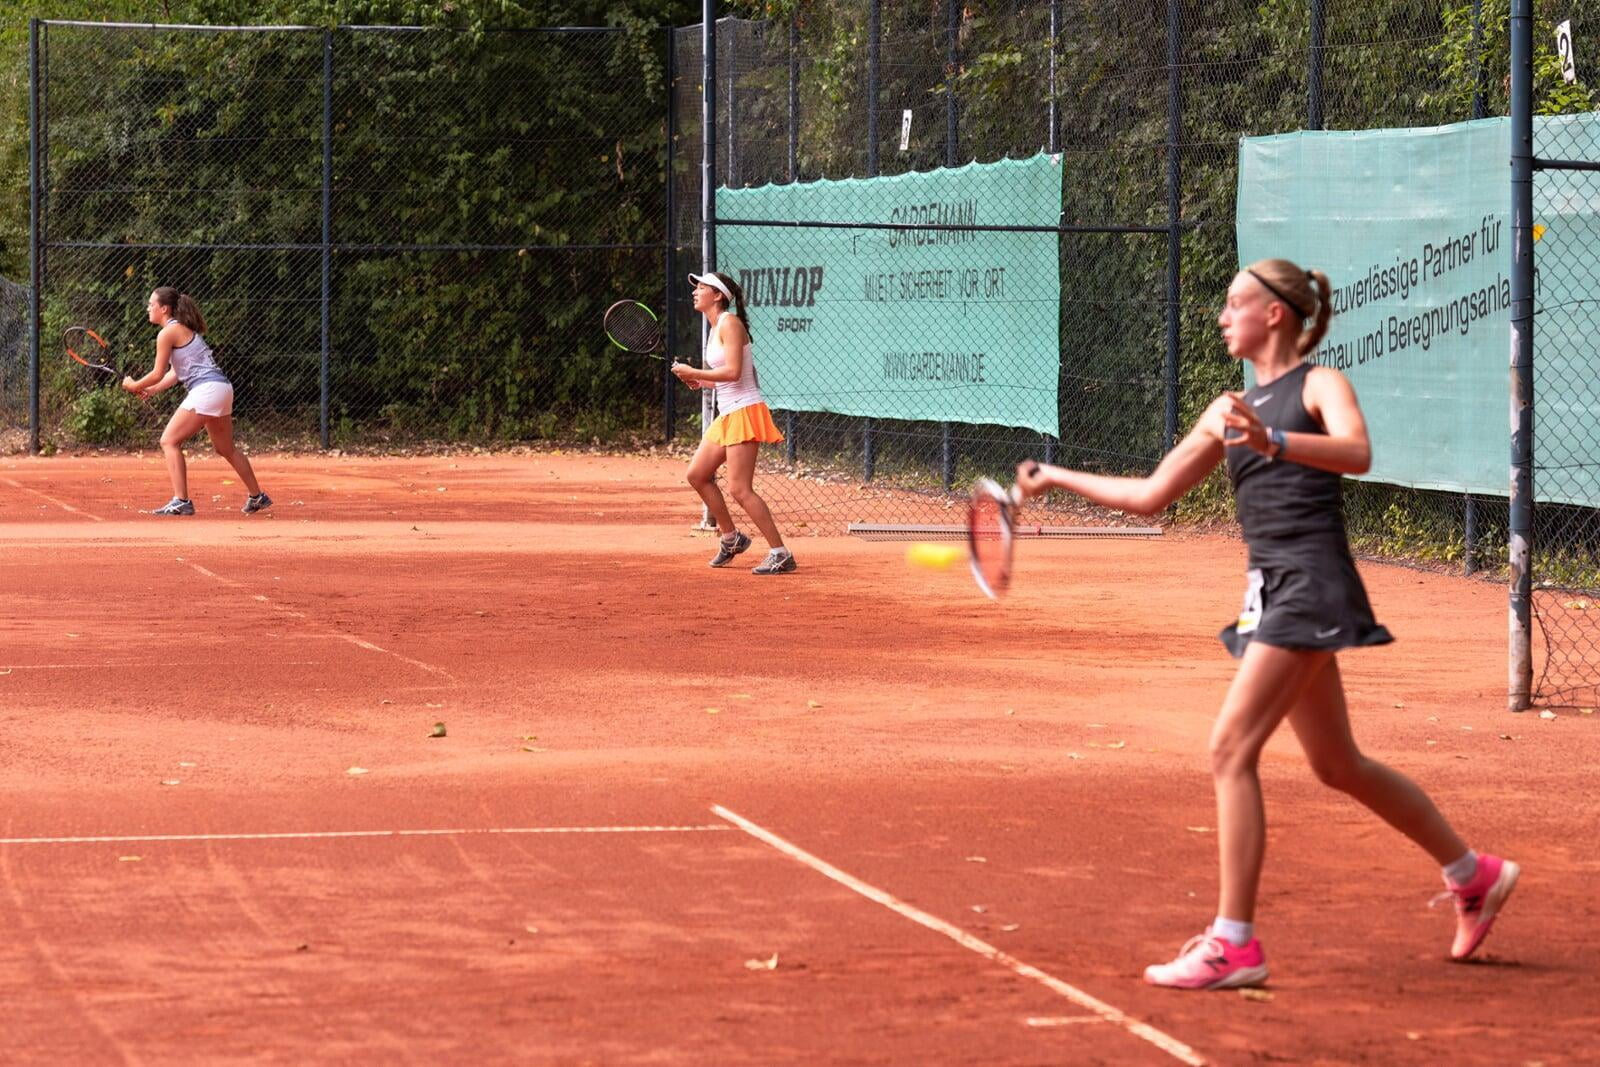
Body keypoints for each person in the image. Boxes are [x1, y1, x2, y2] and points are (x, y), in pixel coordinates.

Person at [1013, 258, 1517, 990]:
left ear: (1274, 313)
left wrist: (1276, 442)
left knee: (1229, 749)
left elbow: (1358, 451)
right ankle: (1474, 875)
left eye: (1234, 303)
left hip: (1310, 583)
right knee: (1337, 764)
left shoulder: (1318, 384)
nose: (1223, 316)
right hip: (1272, 590)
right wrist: (1056, 477)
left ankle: (1234, 945)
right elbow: (1152, 493)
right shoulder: (1227, 409)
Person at [671, 271, 795, 575]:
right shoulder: (716, 327)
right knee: (697, 475)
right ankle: (731, 537)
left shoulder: (730, 324)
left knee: (740, 489)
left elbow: (735, 373)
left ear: (718, 295)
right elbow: (728, 379)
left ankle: (780, 553)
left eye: (701, 287)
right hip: (728, 413)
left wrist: (696, 372)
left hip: (744, 412)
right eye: (696, 287)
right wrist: (701, 383)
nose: (695, 292)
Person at [122, 287, 271, 517]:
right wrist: (150, 391)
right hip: (222, 388)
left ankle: (181, 501)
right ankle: (257, 496)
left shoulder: (167, 333)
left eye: (151, 304)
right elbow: (175, 373)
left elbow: (157, 372)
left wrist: (135, 385)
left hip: (207, 390)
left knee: (169, 440)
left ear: (164, 309)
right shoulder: (182, 330)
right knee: (225, 449)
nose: (148, 308)